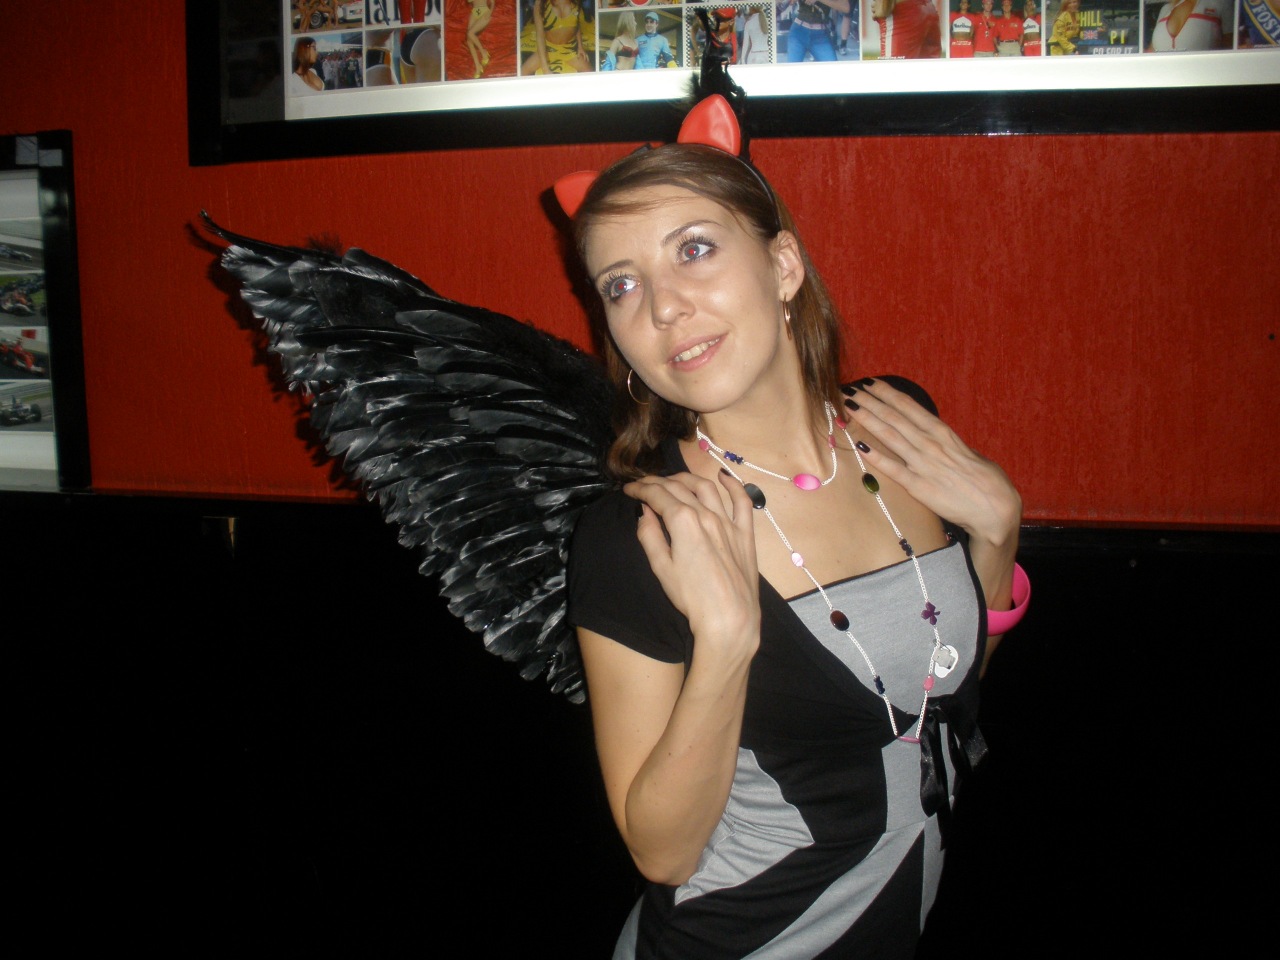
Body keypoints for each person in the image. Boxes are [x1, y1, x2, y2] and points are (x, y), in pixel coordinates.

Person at [561, 96, 1025, 958]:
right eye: (620, 285)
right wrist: (726, 643)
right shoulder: (639, 534)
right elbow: (663, 854)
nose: (661, 308)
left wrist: (996, 541)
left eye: (693, 249)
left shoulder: (898, 424)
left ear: (782, 265)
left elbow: (941, 693)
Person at [521, 0, 594, 74]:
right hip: (548, 49)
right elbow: (540, 36)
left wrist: (580, 47)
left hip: (569, 49)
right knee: (522, 73)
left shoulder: (576, 2)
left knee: (592, 75)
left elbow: (576, 24)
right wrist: (545, 69)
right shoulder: (540, 3)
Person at [1146, 0, 1231, 49]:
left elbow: (1231, 47)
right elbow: (1151, 52)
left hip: (1205, 73)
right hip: (1163, 73)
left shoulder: (1220, 3)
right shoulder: (1165, 9)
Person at [873, 0, 944, 58]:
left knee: (893, 69)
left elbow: (882, 10)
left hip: (903, 12)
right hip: (928, 7)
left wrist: (884, 3)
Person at [784, 0, 850, 61]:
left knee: (832, 66)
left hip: (821, 36)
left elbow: (846, 8)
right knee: (792, 68)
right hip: (798, 33)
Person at [466, 0, 494, 77]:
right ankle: (478, 67)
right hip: (475, 11)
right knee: (469, 41)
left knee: (470, 33)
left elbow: (492, 2)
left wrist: (490, 12)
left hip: (484, 11)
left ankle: (483, 52)